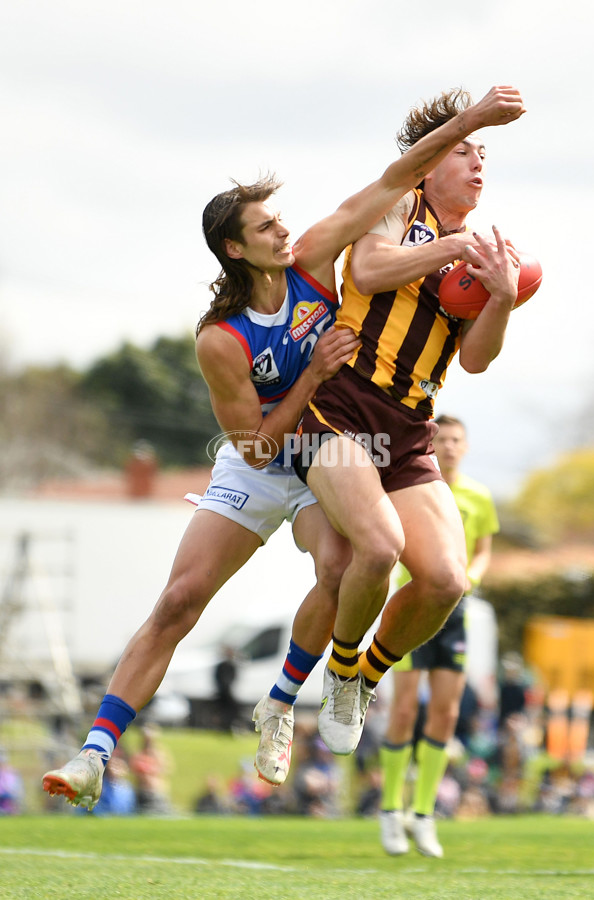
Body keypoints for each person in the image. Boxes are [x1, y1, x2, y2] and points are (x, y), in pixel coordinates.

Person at [41, 84, 520, 810]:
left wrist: (473, 128)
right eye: (266, 226)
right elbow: (259, 448)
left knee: (351, 564)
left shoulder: (314, 259)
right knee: (182, 597)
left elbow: (395, 179)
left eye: (279, 218)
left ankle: (288, 700)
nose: (283, 229)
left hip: (343, 441)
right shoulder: (222, 338)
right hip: (276, 449)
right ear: (236, 248)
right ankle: (94, 752)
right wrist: (314, 376)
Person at [289, 86, 524, 763]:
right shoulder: (400, 206)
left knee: (448, 580)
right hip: (339, 408)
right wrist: (449, 249)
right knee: (380, 548)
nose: (480, 165)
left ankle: (363, 677)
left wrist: (501, 298)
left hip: (409, 427)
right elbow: (369, 266)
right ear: (429, 163)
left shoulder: (483, 250)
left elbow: (475, 360)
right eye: (466, 151)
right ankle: (338, 669)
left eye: (485, 155)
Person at [379, 415, 499, 858]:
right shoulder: (413, 485)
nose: (448, 446)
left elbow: (484, 548)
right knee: (405, 709)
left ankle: (424, 814)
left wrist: (473, 576)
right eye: (442, 438)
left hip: (457, 608)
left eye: (456, 440)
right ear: (431, 442)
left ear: (465, 446)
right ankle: (391, 810)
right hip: (412, 602)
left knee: (446, 715)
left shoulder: (478, 496)